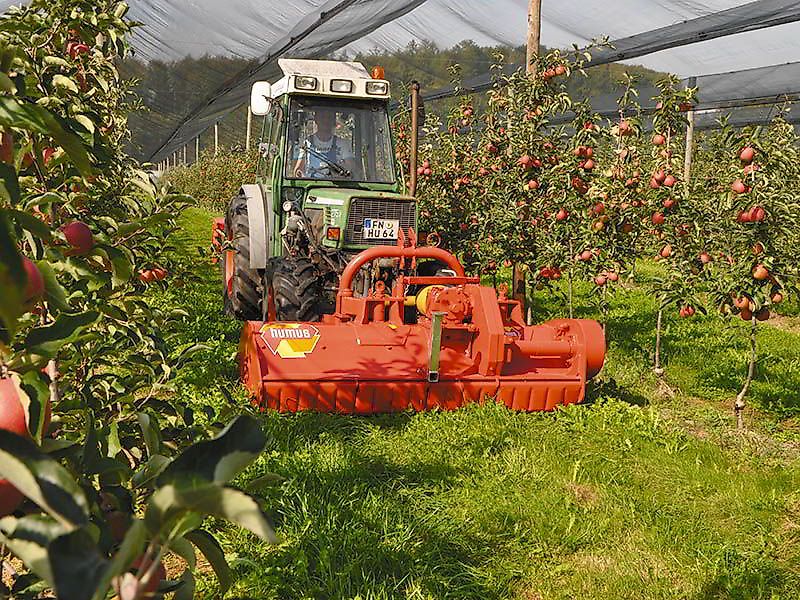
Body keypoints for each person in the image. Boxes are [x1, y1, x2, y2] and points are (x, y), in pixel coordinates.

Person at [292, 108, 355, 179]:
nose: (325, 120)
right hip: (311, 184)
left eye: (329, 117)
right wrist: (300, 175)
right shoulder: (306, 143)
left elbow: (350, 168)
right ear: (316, 119)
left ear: (333, 120)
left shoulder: (342, 144)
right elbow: (298, 170)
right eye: (322, 117)